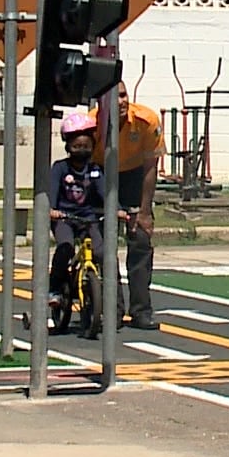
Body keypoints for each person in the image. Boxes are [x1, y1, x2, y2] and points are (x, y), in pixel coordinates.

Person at [97, 84, 162, 330]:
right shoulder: (94, 124)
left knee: (141, 242)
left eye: (123, 95)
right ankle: (111, 309)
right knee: (103, 245)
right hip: (103, 176)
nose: (120, 102)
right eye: (114, 97)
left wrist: (144, 211)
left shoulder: (147, 121)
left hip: (134, 176)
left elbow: (150, 167)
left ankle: (141, 310)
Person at [47, 109, 105, 336]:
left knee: (100, 251)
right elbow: (51, 192)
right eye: (76, 147)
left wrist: (117, 210)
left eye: (86, 147)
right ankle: (55, 290)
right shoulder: (60, 168)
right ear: (68, 147)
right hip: (65, 218)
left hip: (88, 219)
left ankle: (100, 293)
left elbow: (104, 194)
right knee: (65, 248)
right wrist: (51, 210)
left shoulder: (95, 171)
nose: (82, 151)